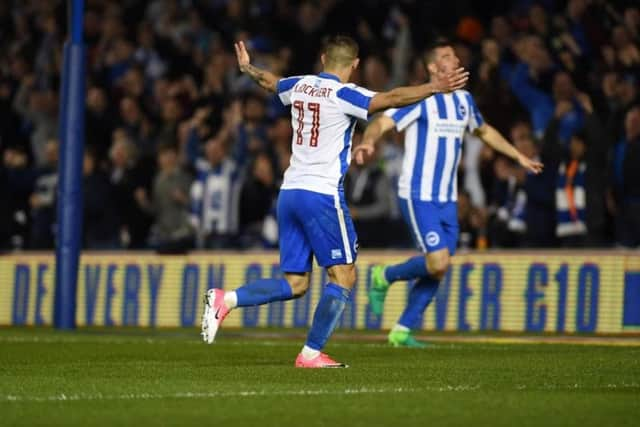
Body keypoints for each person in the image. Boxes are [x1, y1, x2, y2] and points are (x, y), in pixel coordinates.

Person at [201, 35, 469, 368]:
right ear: (355, 65)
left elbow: (269, 82)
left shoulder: (299, 85)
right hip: (321, 195)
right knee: (343, 276)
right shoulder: (347, 94)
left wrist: (247, 67)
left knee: (296, 283)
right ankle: (311, 353)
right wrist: (434, 87)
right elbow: (394, 97)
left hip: (289, 194)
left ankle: (225, 299)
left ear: (324, 58)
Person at [361, 40, 543, 347]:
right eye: (446, 56)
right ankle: (383, 276)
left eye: (455, 55)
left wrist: (517, 156)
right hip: (418, 194)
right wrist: (368, 141)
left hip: (447, 199)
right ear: (433, 68)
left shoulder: (464, 101)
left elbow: (484, 131)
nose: (455, 58)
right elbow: (383, 121)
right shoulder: (421, 99)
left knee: (439, 267)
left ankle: (402, 330)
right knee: (439, 261)